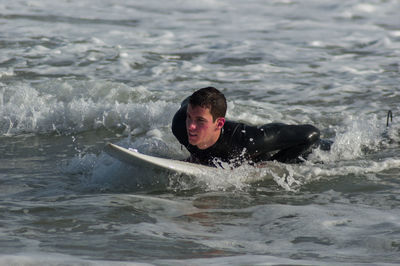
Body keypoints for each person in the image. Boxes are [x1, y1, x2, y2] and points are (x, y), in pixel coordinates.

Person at [172, 87, 328, 167]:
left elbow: (311, 134)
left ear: (219, 123)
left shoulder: (245, 142)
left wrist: (271, 165)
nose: (190, 127)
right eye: (189, 117)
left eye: (200, 120)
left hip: (308, 150)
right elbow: (188, 101)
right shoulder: (179, 125)